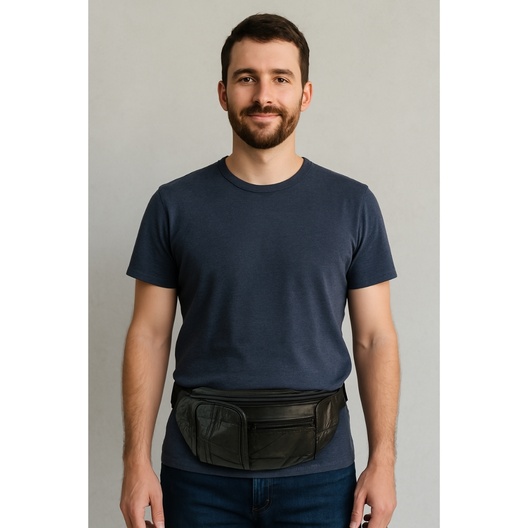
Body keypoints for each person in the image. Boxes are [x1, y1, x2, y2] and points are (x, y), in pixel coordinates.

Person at [120, 13, 400, 528]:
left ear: (305, 94)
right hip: (197, 477)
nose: (264, 95)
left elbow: (374, 338)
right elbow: (149, 335)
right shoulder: (173, 205)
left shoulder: (353, 205)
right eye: (247, 78)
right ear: (223, 93)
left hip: (320, 478)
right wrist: (134, 462)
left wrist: (383, 461)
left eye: (281, 78)